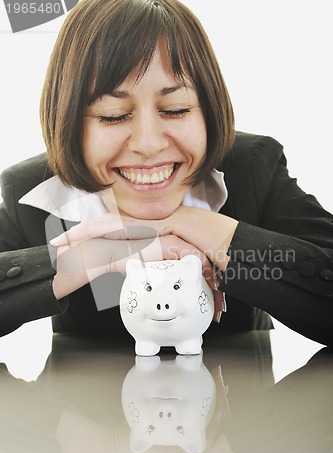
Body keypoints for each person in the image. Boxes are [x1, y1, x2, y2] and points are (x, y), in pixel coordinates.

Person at [0, 0, 332, 345]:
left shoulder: (252, 169)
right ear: (66, 119)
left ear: (209, 109)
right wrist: (92, 256)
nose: (148, 144)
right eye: (112, 115)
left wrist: (214, 232)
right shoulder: (31, 190)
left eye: (175, 110)